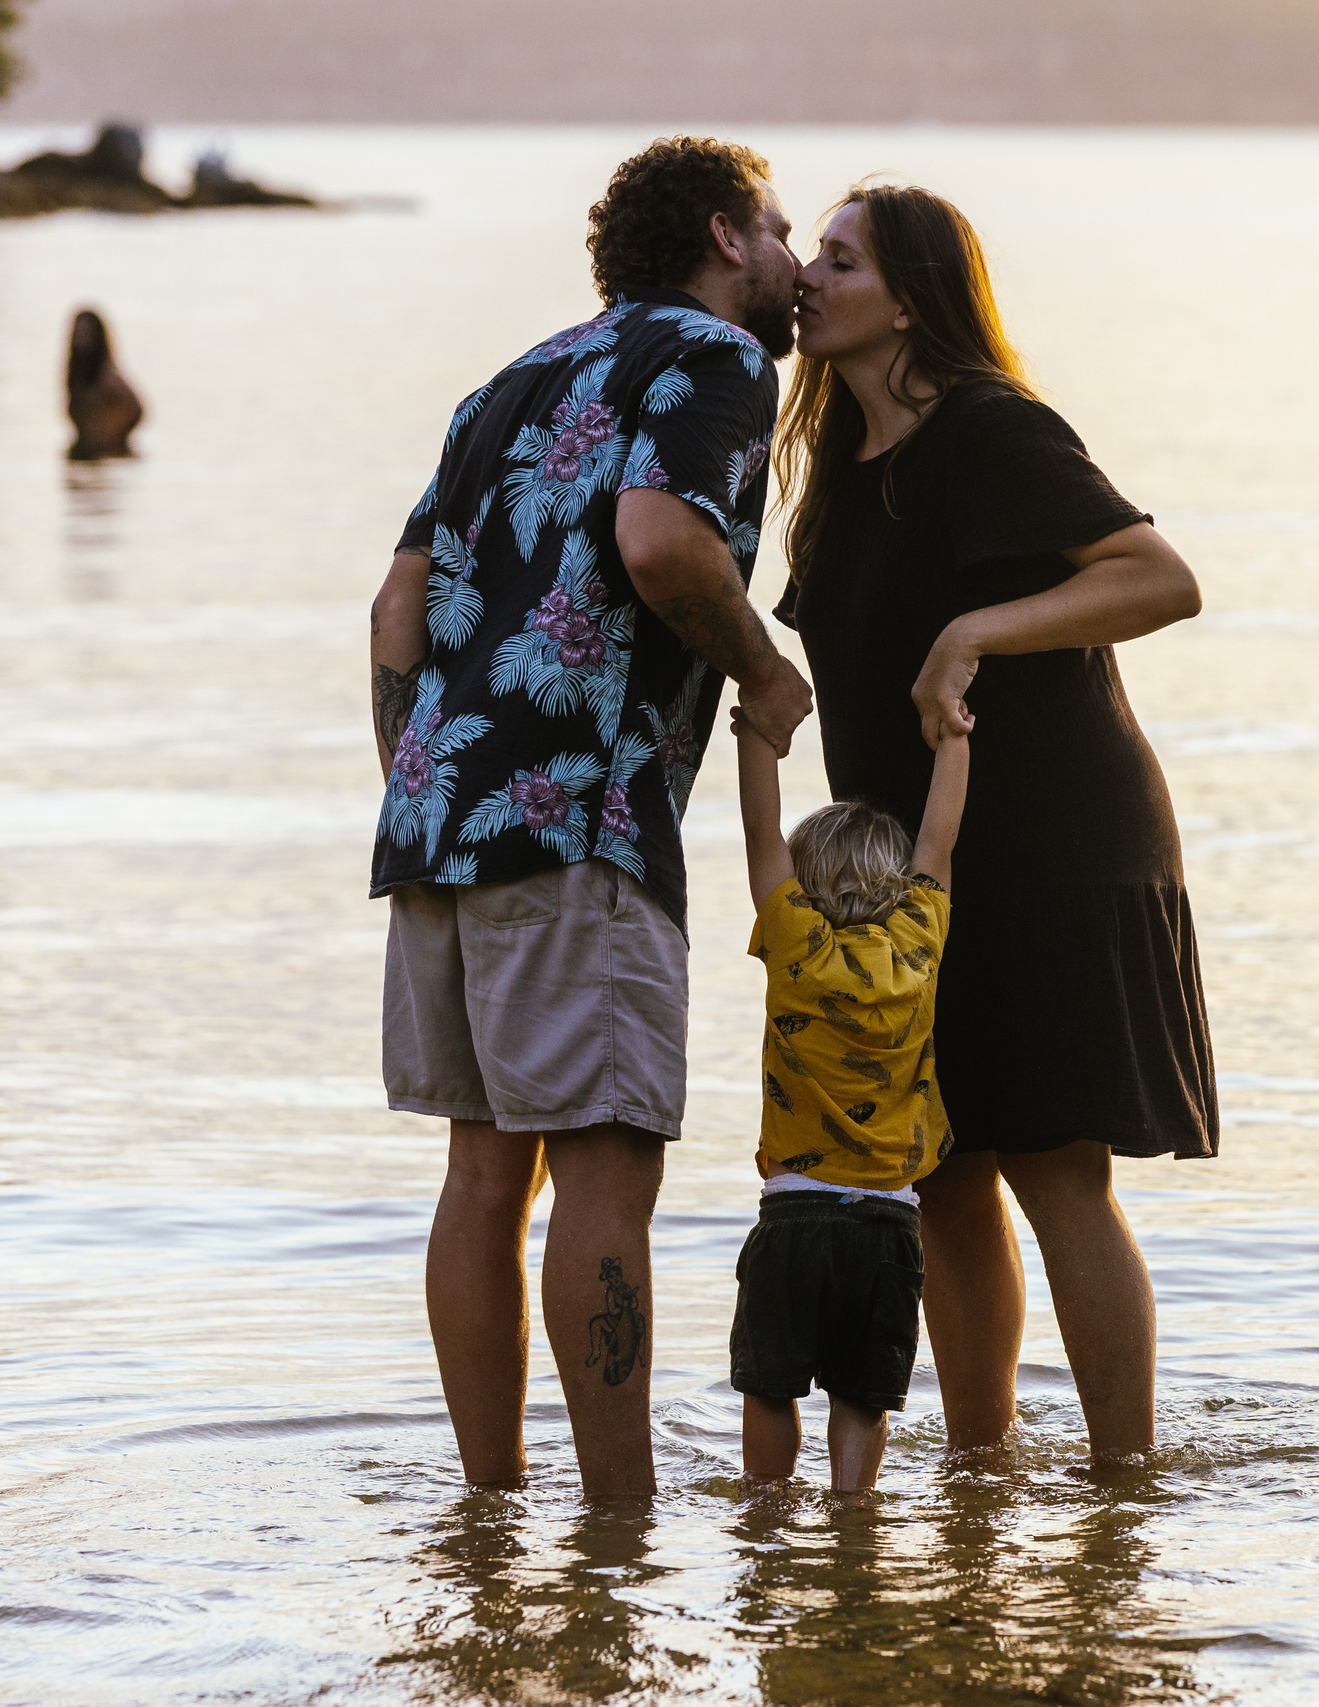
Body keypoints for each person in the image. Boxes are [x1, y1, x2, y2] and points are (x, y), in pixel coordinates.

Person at [368, 136, 809, 1498]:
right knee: (606, 1169)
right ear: (729, 236)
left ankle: (491, 1507)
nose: (796, 262)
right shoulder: (719, 361)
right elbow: (661, 541)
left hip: (440, 823)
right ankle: (618, 1525)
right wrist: (763, 667)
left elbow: (394, 612)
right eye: (783, 231)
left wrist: (423, 782)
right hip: (583, 824)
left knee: (484, 1179)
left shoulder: (508, 381)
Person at [773, 183, 1213, 1464]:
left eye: (837, 259)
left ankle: (1122, 1488)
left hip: (1054, 852)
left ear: (907, 298)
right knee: (943, 1177)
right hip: (912, 881)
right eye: (808, 250)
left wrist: (973, 631)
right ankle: (982, 1472)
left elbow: (1160, 579)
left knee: (1055, 1169)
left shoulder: (987, 428)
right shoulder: (835, 469)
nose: (807, 272)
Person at [729, 709, 969, 1493]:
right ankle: (851, 1515)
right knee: (864, 1392)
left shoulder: (797, 942)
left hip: (795, 1213)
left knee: (771, 1383)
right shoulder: (918, 944)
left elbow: (761, 835)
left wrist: (756, 738)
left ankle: (766, 1509)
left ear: (806, 883)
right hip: (891, 1222)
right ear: (895, 884)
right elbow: (938, 843)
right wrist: (954, 742)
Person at [66, 308, 144, 458]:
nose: (81, 339)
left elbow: (136, 410)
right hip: (88, 453)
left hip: (109, 453)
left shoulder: (107, 377)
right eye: (78, 333)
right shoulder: (79, 377)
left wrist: (113, 433)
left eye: (86, 333)